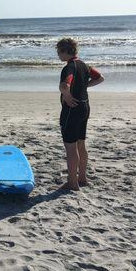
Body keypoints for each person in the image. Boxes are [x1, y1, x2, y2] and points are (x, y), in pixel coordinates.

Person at [56, 38, 104, 191]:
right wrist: (83, 86)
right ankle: (82, 178)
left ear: (65, 51)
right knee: (81, 144)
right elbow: (100, 78)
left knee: (70, 147)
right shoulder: (84, 65)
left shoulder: (69, 67)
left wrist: (67, 95)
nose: (58, 55)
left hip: (72, 110)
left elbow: (65, 84)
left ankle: (72, 182)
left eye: (59, 52)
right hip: (85, 107)